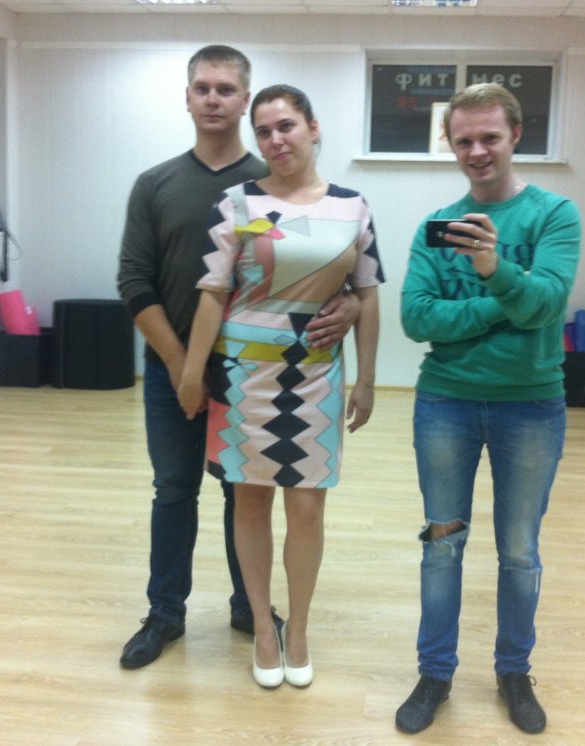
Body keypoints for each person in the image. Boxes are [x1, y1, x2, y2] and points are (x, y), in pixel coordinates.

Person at [116, 47, 358, 670]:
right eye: (203, 87)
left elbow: (330, 267)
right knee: (174, 489)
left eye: (226, 89)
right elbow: (133, 282)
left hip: (255, 374)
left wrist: (354, 306)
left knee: (245, 494)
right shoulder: (156, 184)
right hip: (174, 368)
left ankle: (250, 609)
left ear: (245, 100)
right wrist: (182, 366)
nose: (213, 99)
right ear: (187, 98)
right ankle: (164, 613)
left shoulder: (274, 180)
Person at [177, 84, 384, 689]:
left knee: (308, 507)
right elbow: (212, 293)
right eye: (264, 131)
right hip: (243, 379)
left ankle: (299, 628)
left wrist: (367, 379)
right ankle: (264, 628)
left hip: (317, 376)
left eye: (286, 125)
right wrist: (191, 373)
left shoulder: (352, 206)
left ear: (313, 128)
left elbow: (368, 294)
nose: (275, 139)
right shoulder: (237, 202)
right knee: (249, 501)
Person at [394, 83, 581, 735]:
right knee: (442, 545)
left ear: (515, 136)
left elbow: (547, 305)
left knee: (520, 551)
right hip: (444, 404)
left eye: (490, 137)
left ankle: (513, 672)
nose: (477, 151)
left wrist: (492, 268)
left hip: (530, 409)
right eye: (464, 140)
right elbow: (417, 319)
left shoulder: (555, 215)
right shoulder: (436, 226)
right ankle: (435, 673)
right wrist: (502, 301)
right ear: (450, 144)